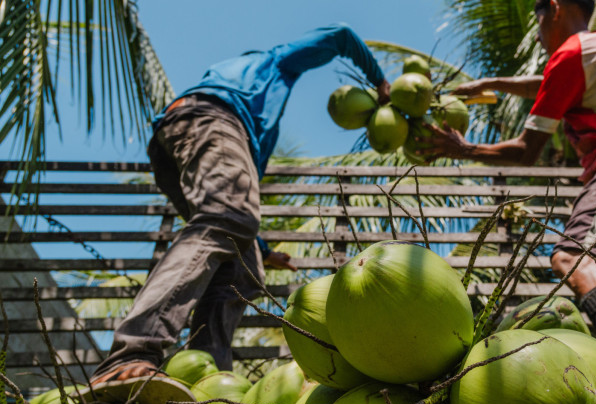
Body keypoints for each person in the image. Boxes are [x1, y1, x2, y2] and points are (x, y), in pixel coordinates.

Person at [90, 24, 390, 384]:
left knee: (244, 269)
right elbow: (340, 35)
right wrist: (381, 83)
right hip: (210, 120)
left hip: (179, 135)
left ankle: (203, 379)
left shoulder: (256, 123)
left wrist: (263, 248)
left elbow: (233, 208)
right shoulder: (273, 63)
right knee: (225, 220)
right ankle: (133, 352)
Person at [421, 0, 596, 333]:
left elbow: (526, 151)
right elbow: (547, 85)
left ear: (554, 8)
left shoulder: (572, 53)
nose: (537, 37)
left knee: (573, 256)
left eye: (538, 23)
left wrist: (462, 149)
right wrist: (490, 83)